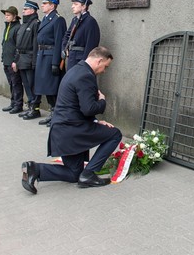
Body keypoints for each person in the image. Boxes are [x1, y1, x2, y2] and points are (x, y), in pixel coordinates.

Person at [21, 46, 122, 193]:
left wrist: (95, 121)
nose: (104, 71)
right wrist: (102, 101)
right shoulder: (86, 76)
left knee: (74, 173)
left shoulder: (76, 70)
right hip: (73, 130)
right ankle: (88, 174)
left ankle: (35, 169)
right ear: (99, 61)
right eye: (105, 67)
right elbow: (88, 108)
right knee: (115, 134)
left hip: (63, 131)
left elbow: (77, 105)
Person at [34, 0, 67, 127]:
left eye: (45, 3)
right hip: (42, 55)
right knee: (45, 88)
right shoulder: (46, 18)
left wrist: (55, 62)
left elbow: (59, 41)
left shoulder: (58, 19)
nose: (42, 5)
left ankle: (57, 115)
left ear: (52, 6)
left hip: (50, 56)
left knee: (52, 87)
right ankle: (52, 112)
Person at [12, 0, 41, 119]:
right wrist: (16, 60)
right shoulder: (24, 24)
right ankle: (30, 106)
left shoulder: (35, 23)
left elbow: (35, 45)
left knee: (33, 85)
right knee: (26, 85)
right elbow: (17, 45)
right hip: (21, 59)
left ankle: (35, 109)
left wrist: (34, 62)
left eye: (26, 9)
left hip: (29, 59)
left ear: (33, 10)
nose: (23, 11)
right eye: (23, 9)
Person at [61, 0, 100, 71]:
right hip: (72, 57)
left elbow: (91, 45)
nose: (72, 6)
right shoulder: (75, 20)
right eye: (73, 4)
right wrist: (64, 48)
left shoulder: (90, 21)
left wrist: (85, 63)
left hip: (81, 59)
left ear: (84, 6)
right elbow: (67, 35)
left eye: (75, 4)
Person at [0, 6, 24, 114]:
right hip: (6, 60)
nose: (6, 17)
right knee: (11, 83)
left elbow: (18, 46)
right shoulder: (7, 26)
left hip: (13, 62)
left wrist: (15, 61)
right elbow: (5, 44)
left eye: (8, 15)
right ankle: (13, 102)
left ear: (14, 16)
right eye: (5, 15)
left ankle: (18, 104)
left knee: (16, 83)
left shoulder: (17, 28)